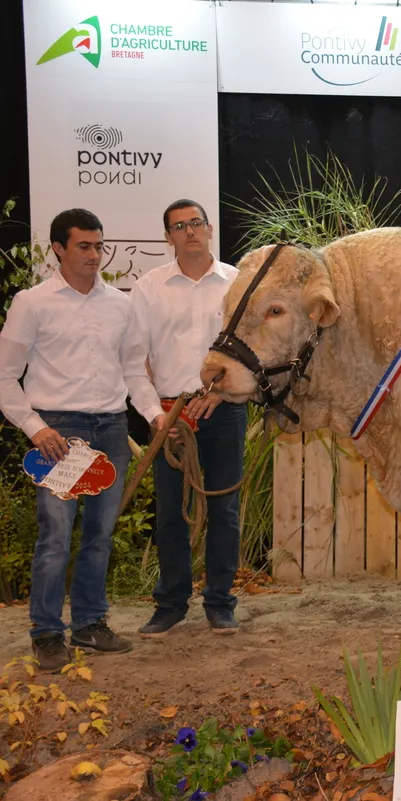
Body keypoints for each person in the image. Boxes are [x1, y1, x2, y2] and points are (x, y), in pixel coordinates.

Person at [0, 208, 165, 672]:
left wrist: (155, 415)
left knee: (99, 535)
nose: (95, 255)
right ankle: (47, 633)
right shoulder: (32, 303)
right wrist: (37, 428)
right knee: (55, 536)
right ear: (58, 248)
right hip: (57, 433)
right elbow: (4, 377)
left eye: (99, 246)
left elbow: (134, 369)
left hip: (111, 427)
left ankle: (90, 625)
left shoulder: (120, 304)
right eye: (84, 246)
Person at [131, 199, 246, 638]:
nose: (189, 231)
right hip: (169, 417)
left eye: (196, 223)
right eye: (179, 226)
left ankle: (220, 603)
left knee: (224, 510)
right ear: (168, 237)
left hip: (223, 410)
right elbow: (134, 359)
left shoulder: (237, 283)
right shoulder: (149, 287)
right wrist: (153, 414)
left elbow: (249, 353)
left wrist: (219, 393)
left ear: (210, 228)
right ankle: (171, 605)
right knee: (169, 515)